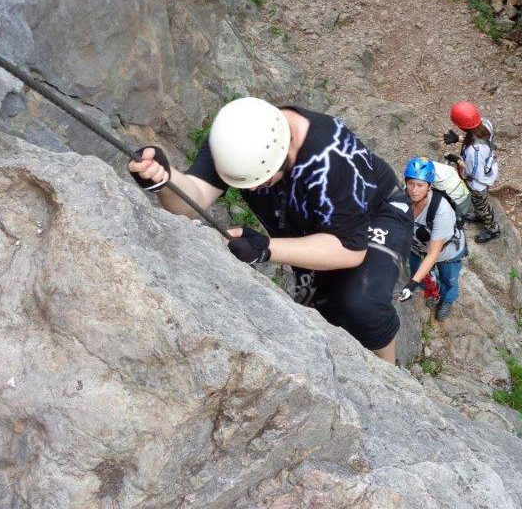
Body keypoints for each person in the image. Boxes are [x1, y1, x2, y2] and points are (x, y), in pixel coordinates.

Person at [128, 97, 411, 365]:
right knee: (323, 310)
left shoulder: (331, 157)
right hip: (310, 221)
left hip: (376, 213)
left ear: (284, 155)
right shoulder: (236, 138)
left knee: (360, 302)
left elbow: (350, 249)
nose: (252, 190)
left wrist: (266, 248)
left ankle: (389, 369)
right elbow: (194, 200)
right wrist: (165, 180)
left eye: (261, 180)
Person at [397, 157, 467, 321]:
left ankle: (447, 299)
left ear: (429, 186)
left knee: (448, 279)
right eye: (410, 183)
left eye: (420, 185)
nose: (414, 190)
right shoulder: (404, 196)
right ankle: (431, 291)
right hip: (417, 247)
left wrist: (411, 285)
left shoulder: (441, 211)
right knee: (418, 273)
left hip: (446, 253)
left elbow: (433, 253)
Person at [443, 101, 501, 243]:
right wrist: (458, 138)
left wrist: (456, 160)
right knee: (477, 202)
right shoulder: (485, 124)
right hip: (488, 168)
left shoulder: (473, 152)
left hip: (478, 182)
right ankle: (480, 215)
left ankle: (493, 229)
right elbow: (481, 139)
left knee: (482, 204)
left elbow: (473, 173)